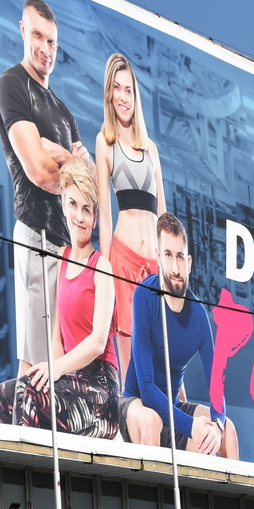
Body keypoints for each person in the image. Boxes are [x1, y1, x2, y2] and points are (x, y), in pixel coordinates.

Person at [0, 159, 127, 439]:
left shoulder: (101, 267)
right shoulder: (61, 258)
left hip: (101, 391)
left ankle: (28, 464)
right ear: (63, 205)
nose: (79, 217)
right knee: (3, 396)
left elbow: (98, 342)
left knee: (28, 392)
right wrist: (53, 377)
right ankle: (18, 458)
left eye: (87, 209)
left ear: (95, 217)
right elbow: (56, 336)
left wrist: (55, 370)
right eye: (73, 204)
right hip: (70, 380)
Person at [0, 0, 92, 375]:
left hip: (67, 248)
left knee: (62, 364)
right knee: (34, 363)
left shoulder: (63, 112)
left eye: (51, 41)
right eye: (37, 36)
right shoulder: (12, 85)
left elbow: (87, 187)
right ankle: (17, 415)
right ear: (23, 31)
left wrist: (62, 156)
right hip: (37, 236)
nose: (45, 49)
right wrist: (71, 165)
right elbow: (39, 172)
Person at [122, 214, 240, 458]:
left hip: (173, 413)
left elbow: (216, 386)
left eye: (179, 257)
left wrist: (216, 426)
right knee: (152, 420)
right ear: (158, 258)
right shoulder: (144, 296)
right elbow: (146, 388)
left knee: (227, 431)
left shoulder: (198, 315)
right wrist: (191, 426)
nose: (175, 269)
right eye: (168, 255)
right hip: (136, 406)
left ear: (189, 262)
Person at [93, 53, 166, 380]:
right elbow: (106, 218)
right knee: (130, 364)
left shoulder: (151, 148)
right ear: (109, 94)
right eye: (117, 88)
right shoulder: (105, 143)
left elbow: (163, 214)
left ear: (136, 96)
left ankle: (176, 410)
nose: (123, 97)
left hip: (154, 263)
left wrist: (168, 262)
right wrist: (105, 272)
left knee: (165, 354)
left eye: (129, 90)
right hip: (122, 261)